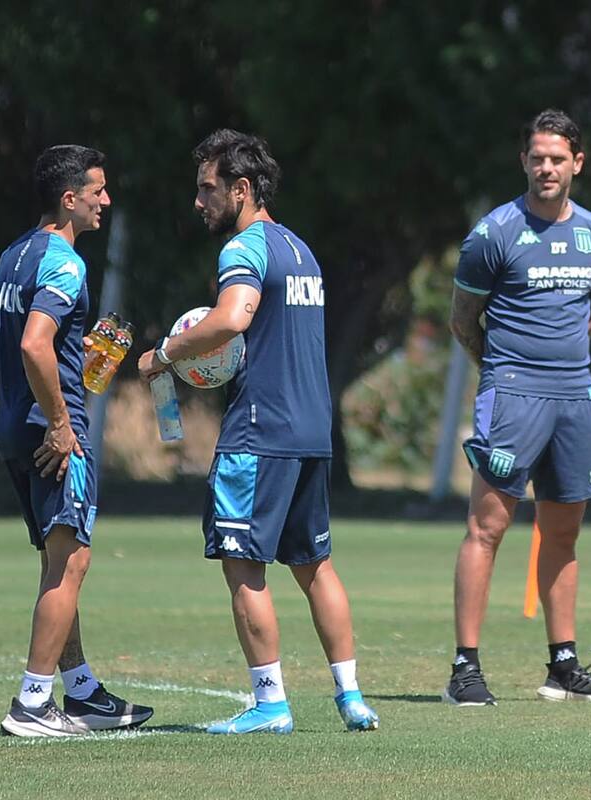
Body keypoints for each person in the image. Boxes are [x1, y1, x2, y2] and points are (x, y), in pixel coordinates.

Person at [137, 129, 378, 734]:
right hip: (310, 432)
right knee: (316, 564)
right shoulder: (301, 250)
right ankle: (352, 697)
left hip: (259, 431)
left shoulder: (244, 247)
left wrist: (164, 354)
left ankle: (270, 704)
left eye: (207, 189)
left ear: (241, 190)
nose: (200, 201)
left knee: (243, 565)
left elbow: (232, 318)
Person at [0, 145, 153, 736]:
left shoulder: (11, 254)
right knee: (71, 563)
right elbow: (32, 345)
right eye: (97, 190)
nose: (106, 200)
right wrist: (59, 420)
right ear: (69, 199)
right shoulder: (65, 262)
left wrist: (77, 354)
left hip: (10, 425)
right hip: (52, 433)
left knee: (58, 561)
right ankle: (32, 703)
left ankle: (81, 692)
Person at [444, 109, 591, 706]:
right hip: (512, 395)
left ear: (578, 162)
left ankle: (564, 666)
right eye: (537, 157)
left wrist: (562, 364)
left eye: (558, 158)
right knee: (488, 528)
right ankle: (465, 670)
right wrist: (501, 373)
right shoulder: (493, 233)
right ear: (524, 161)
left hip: (575, 397)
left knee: (564, 533)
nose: (547, 167)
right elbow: (463, 320)